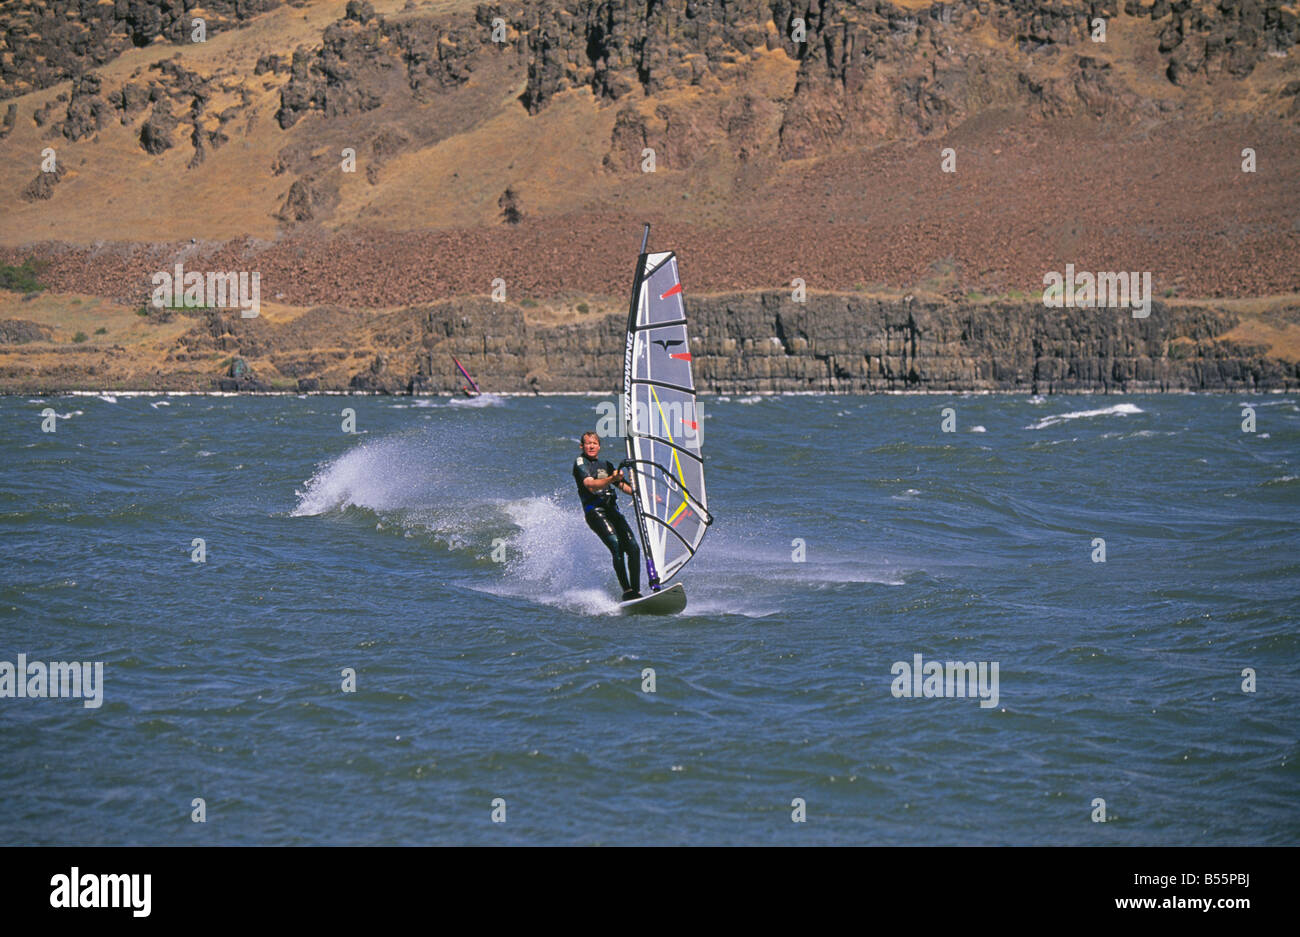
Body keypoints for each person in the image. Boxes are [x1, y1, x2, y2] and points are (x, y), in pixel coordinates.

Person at [572, 431, 642, 600]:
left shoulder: (606, 464)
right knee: (616, 545)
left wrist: (645, 495)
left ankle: (636, 592)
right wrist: (611, 479)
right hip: (595, 512)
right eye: (587, 443)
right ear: (582, 446)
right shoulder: (580, 463)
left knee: (633, 547)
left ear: (599, 446)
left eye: (594, 443)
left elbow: (624, 487)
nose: (591, 446)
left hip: (612, 510)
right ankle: (627, 591)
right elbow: (591, 485)